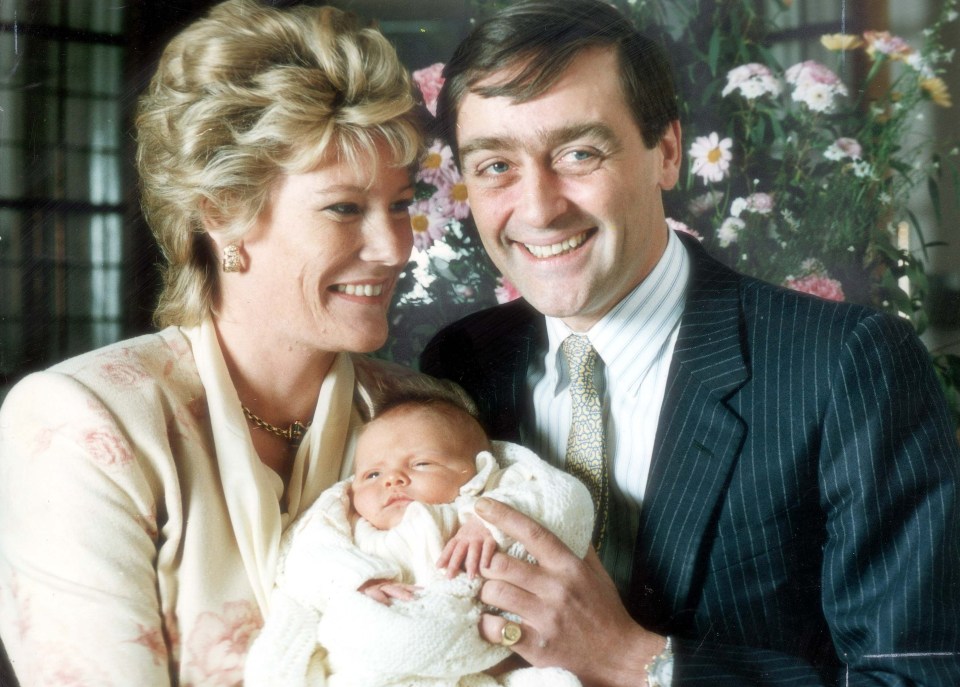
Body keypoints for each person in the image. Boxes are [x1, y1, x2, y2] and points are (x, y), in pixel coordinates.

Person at [420, 0, 960, 685]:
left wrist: (635, 660)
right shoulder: (462, 364)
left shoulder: (846, 365)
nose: (537, 207)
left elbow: (916, 676)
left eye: (578, 153)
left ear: (667, 152)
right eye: (495, 165)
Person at [0, 1, 431, 684]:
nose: (393, 247)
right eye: (344, 207)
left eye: (402, 203)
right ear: (221, 213)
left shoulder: (424, 414)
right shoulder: (82, 425)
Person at [243, 381, 591, 686]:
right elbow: (304, 560)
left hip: (478, 658)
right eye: (372, 475)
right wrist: (358, 582)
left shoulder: (486, 498)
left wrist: (489, 520)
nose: (392, 479)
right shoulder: (345, 522)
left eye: (421, 464)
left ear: (479, 471)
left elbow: (558, 497)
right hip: (370, 651)